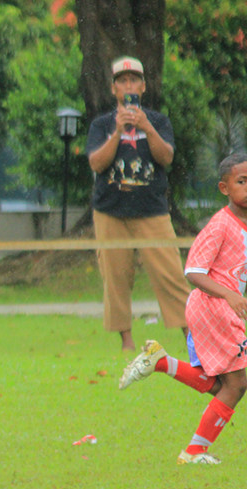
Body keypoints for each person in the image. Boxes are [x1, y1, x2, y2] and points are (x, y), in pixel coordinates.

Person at [118, 153, 247, 464]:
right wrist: (230, 296)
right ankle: (194, 452)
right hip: (213, 308)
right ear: (224, 188)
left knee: (223, 385)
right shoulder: (219, 225)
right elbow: (193, 272)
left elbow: (244, 270)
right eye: (241, 181)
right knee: (236, 385)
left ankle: (161, 362)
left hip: (223, 308)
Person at [86, 55, 190, 351]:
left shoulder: (158, 121)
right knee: (116, 276)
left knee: (170, 274)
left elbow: (166, 157)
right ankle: (126, 342)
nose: (128, 86)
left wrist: (146, 127)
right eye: (122, 81)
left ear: (143, 87)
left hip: (152, 210)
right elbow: (96, 163)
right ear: (114, 89)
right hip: (110, 211)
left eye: (134, 80)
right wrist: (118, 133)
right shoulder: (102, 124)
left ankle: (191, 337)